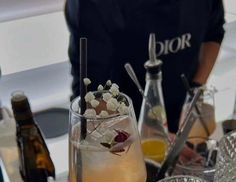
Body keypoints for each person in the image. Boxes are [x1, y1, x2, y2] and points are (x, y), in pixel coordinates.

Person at [64, 0, 225, 133]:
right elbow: (91, 99)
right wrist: (144, 134)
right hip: (117, 133)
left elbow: (213, 32)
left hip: (181, 117)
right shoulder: (93, 5)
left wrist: (195, 91)